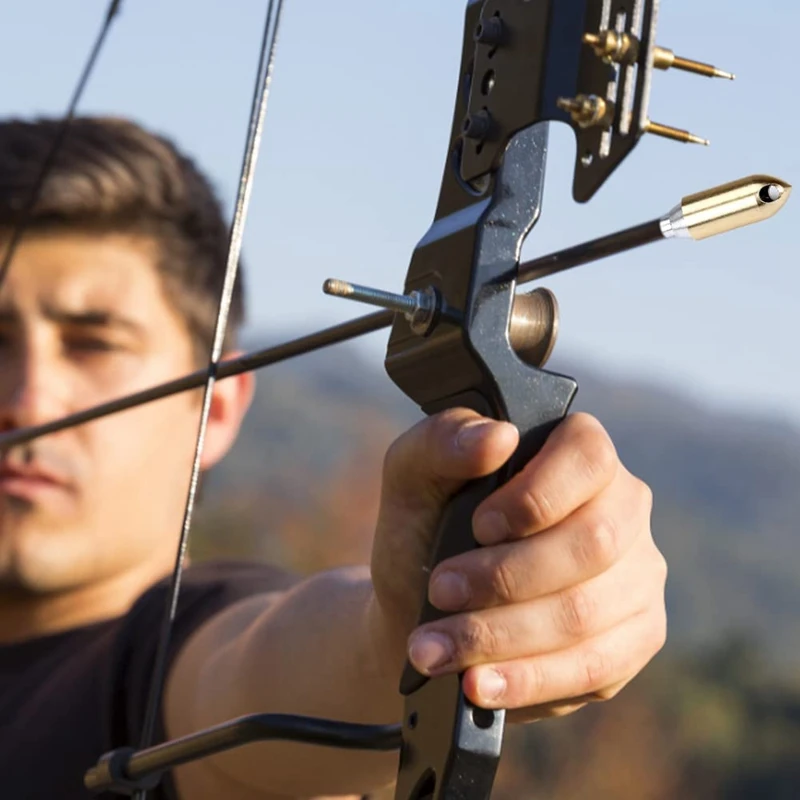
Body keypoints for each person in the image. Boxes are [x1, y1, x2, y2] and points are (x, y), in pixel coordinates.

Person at [0, 116, 668, 800]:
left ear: (217, 407)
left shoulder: (162, 667)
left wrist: (405, 629)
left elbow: (279, 664)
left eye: (93, 344)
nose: (26, 400)